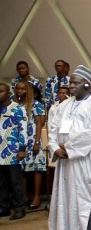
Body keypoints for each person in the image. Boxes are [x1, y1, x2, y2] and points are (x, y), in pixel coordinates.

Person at [47, 64, 91, 230]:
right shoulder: (64, 105)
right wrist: (53, 147)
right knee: (69, 198)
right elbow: (53, 128)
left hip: (87, 160)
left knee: (90, 198)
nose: (71, 86)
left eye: (76, 83)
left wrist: (68, 147)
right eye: (70, 82)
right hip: (67, 162)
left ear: (87, 85)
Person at [13, 81, 47, 211]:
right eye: (17, 89)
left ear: (28, 90)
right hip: (19, 140)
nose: (20, 91)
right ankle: (25, 196)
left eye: (22, 89)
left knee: (36, 169)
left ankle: (37, 196)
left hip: (33, 138)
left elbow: (39, 124)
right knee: (22, 170)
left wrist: (37, 142)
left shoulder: (36, 104)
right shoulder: (15, 105)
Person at [0, 83, 27, 220]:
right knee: (1, 182)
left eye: (1, 91)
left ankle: (20, 208)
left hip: (12, 151)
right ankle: (3, 207)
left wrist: (22, 149)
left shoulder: (17, 108)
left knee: (16, 181)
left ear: (8, 93)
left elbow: (23, 129)